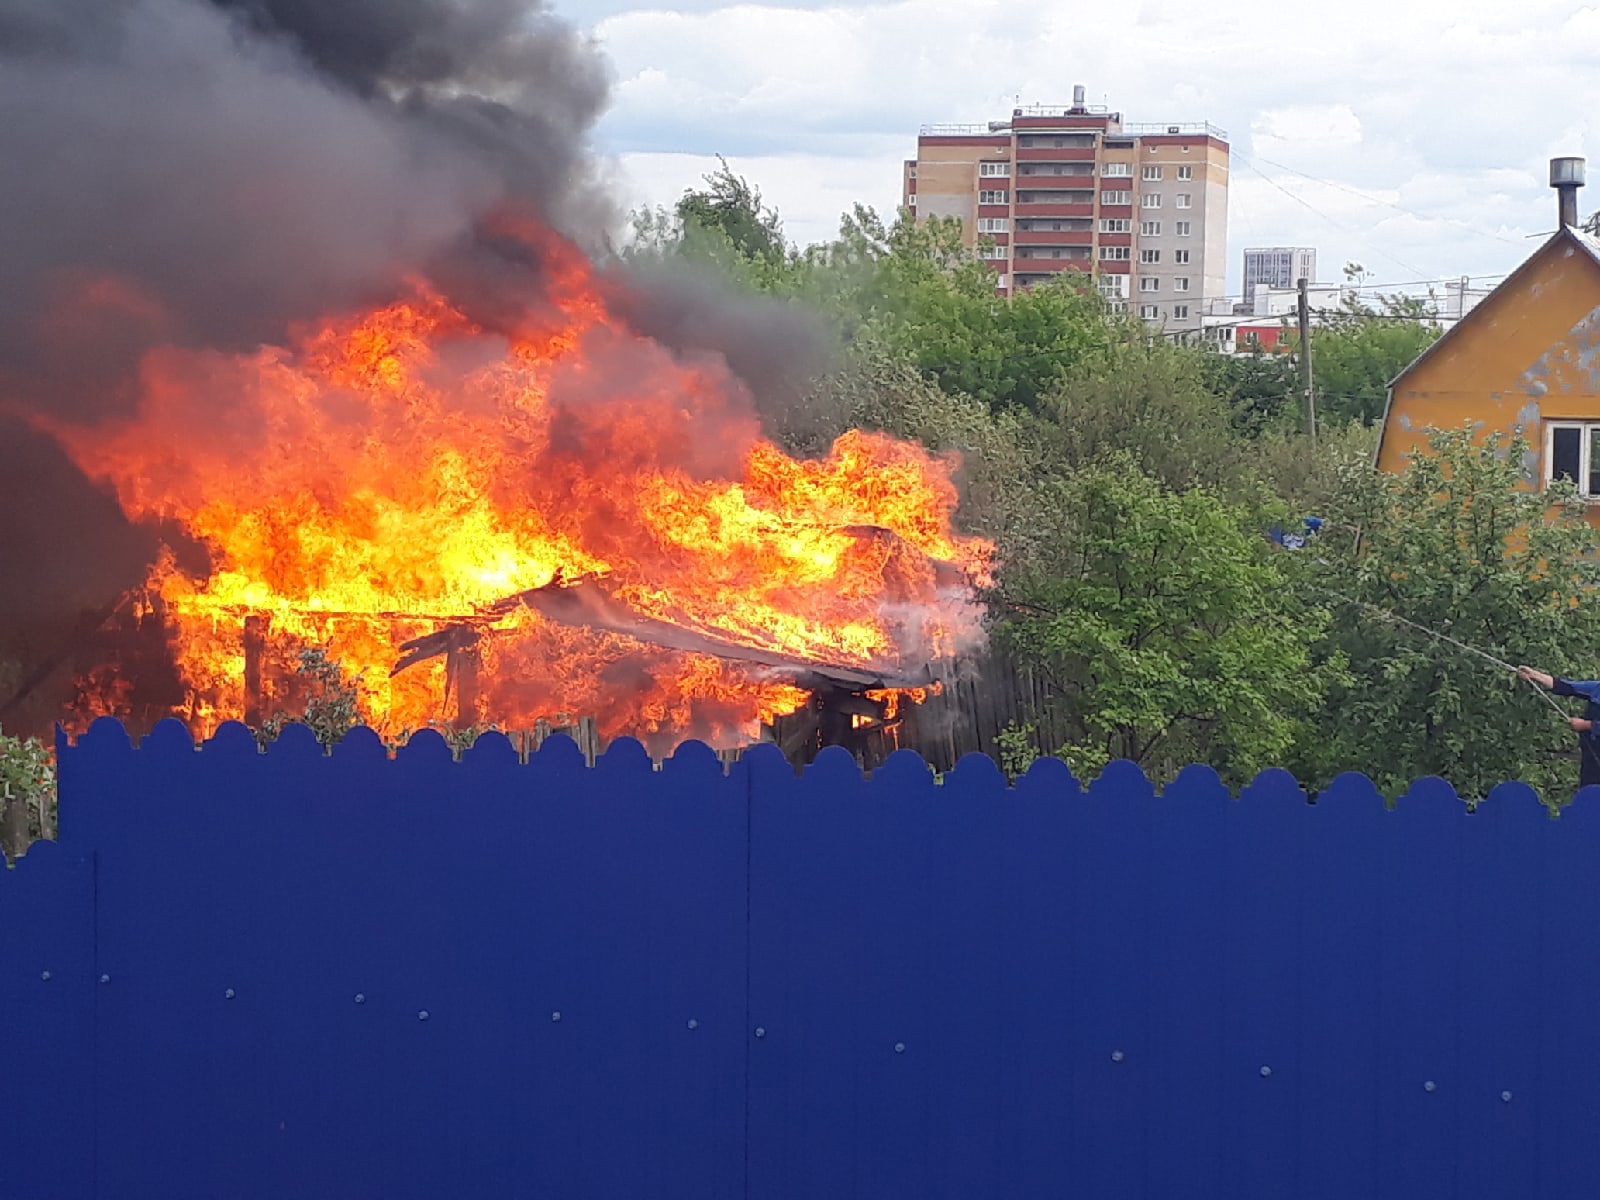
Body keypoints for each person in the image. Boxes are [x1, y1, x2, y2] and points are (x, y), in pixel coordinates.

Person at [1517, 666, 1600, 788]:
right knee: (1589, 792)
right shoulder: (1596, 688)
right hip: (1592, 755)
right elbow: (1566, 686)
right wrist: (1535, 675)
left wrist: (1586, 725)